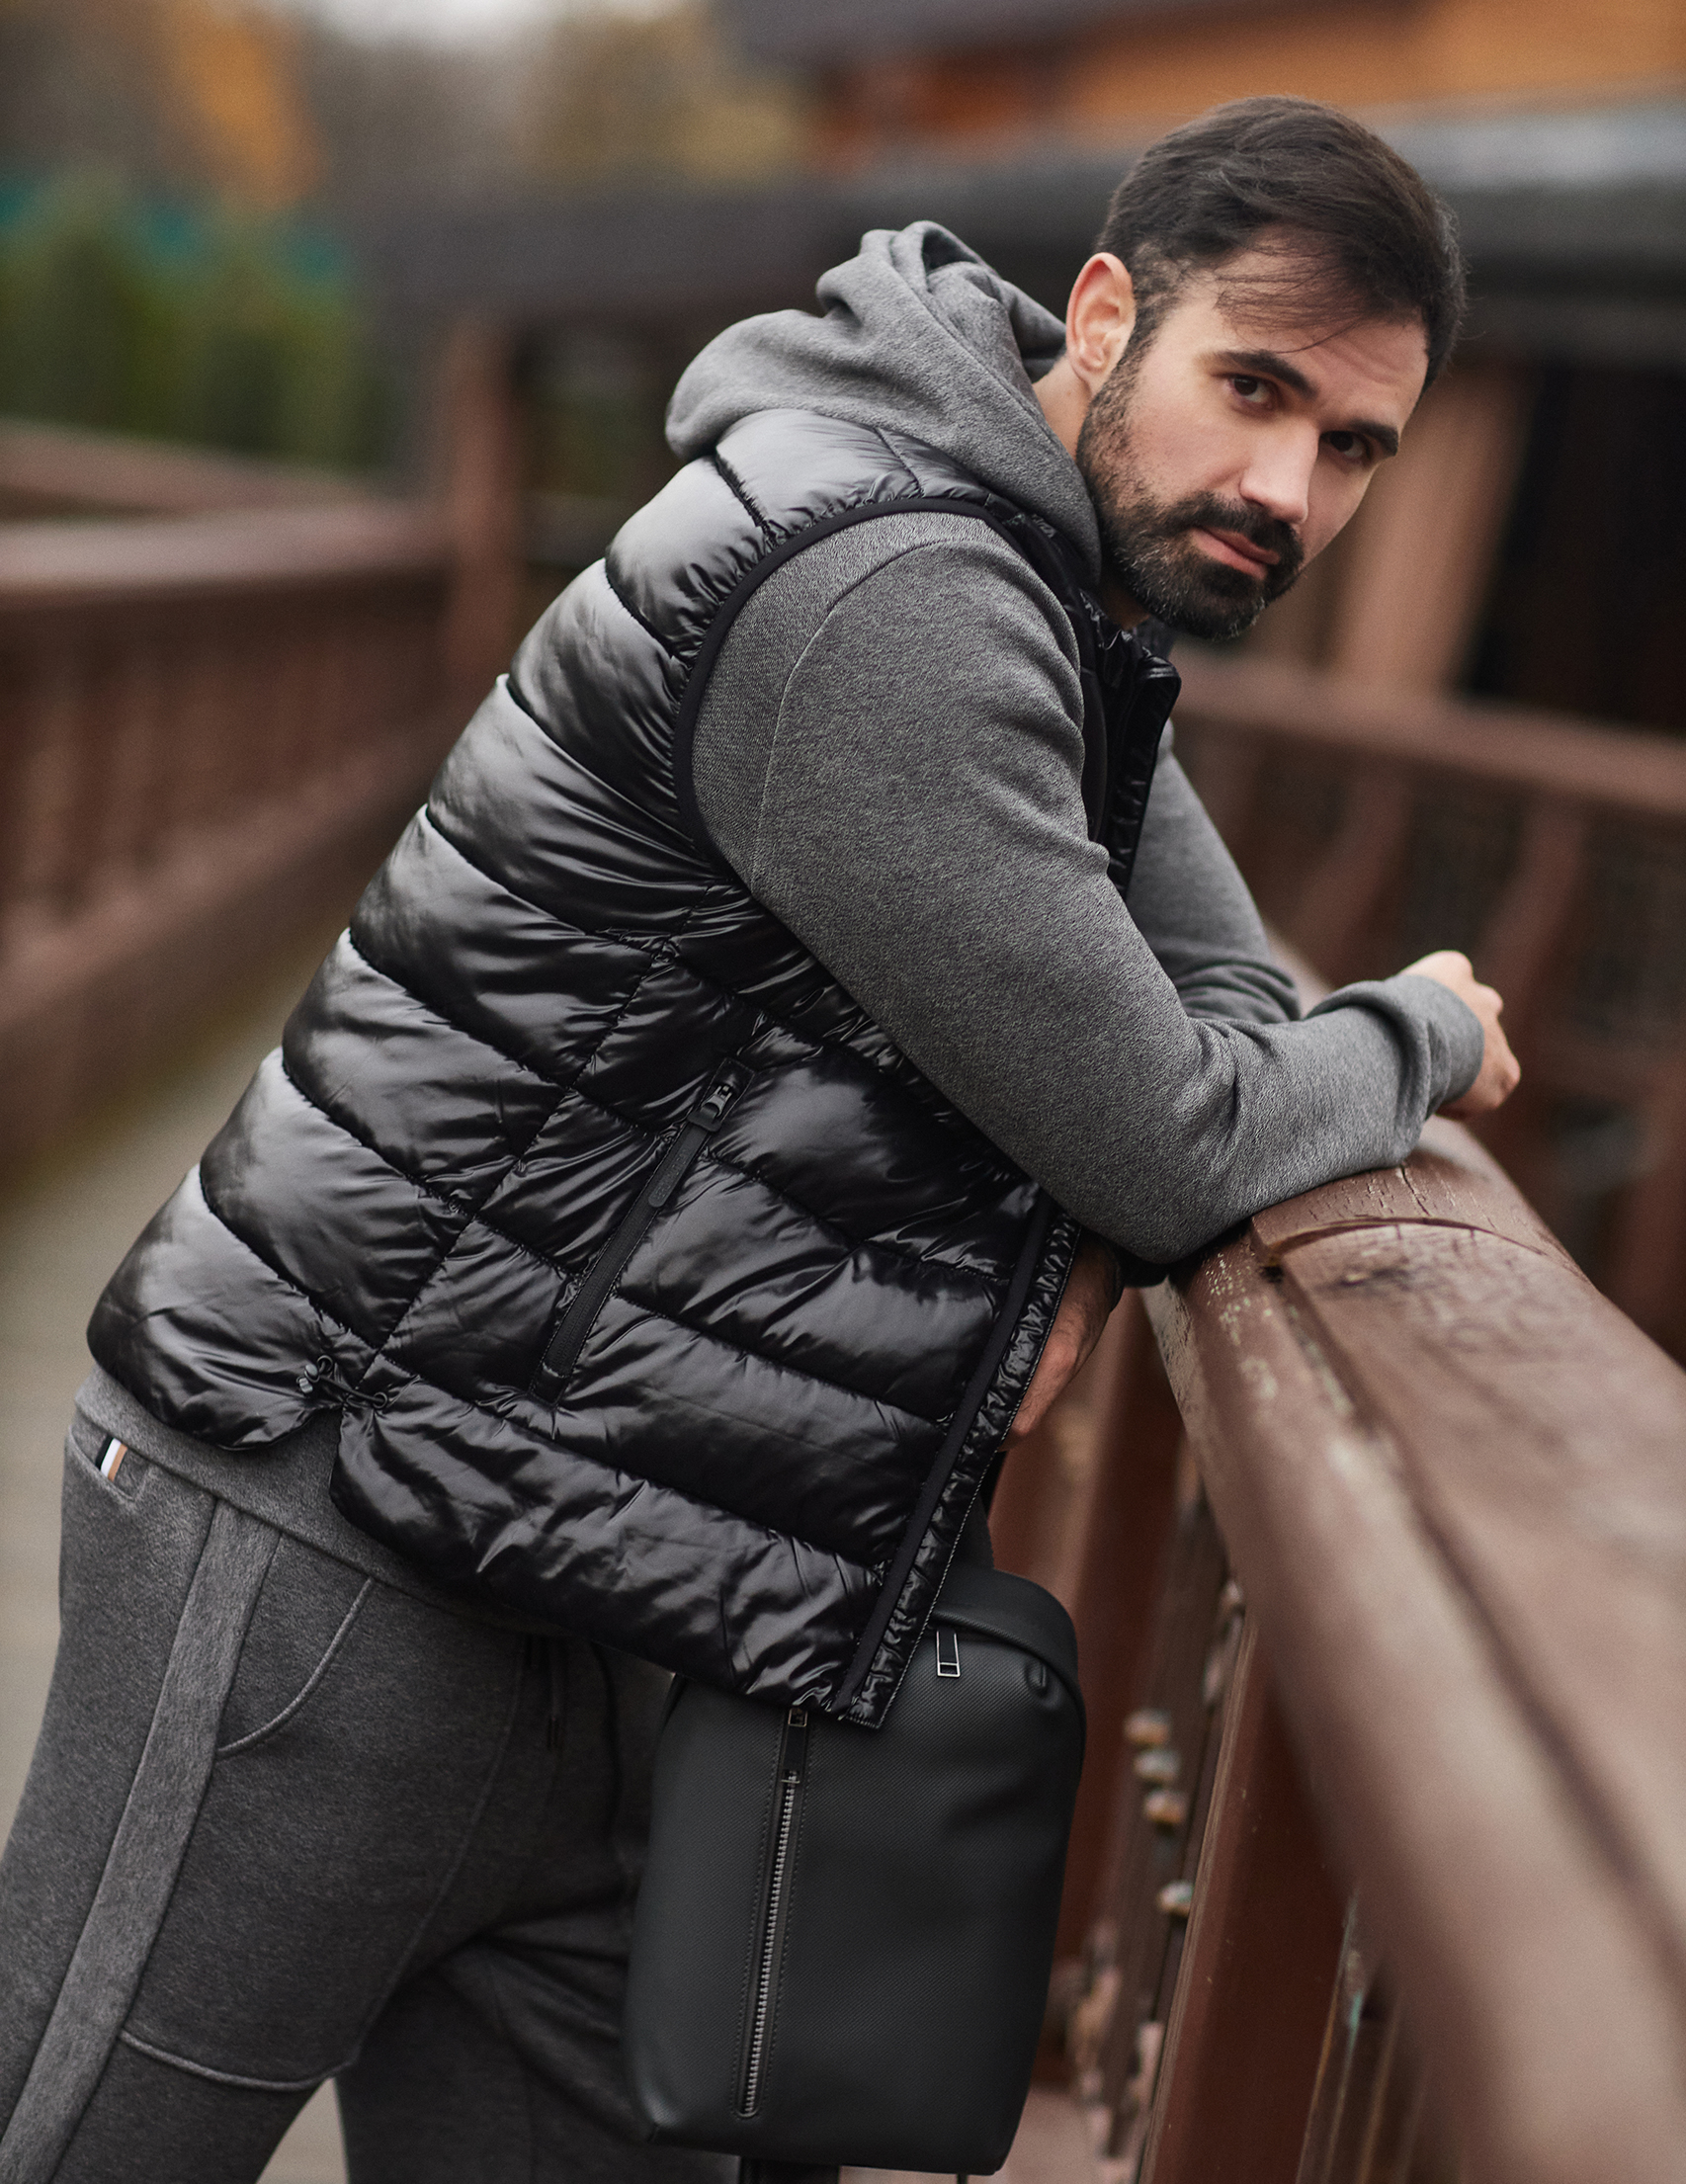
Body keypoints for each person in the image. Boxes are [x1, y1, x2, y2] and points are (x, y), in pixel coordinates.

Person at [0, 94, 1518, 2184]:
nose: (1286, 485)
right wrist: (1419, 1028)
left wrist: (1112, 1189)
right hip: (338, 1538)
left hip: (624, 1582)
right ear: (1102, 316)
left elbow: (1210, 1017)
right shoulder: (893, 590)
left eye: (1354, 448)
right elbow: (1178, 1133)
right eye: (1252, 389)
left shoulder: (1053, 585)